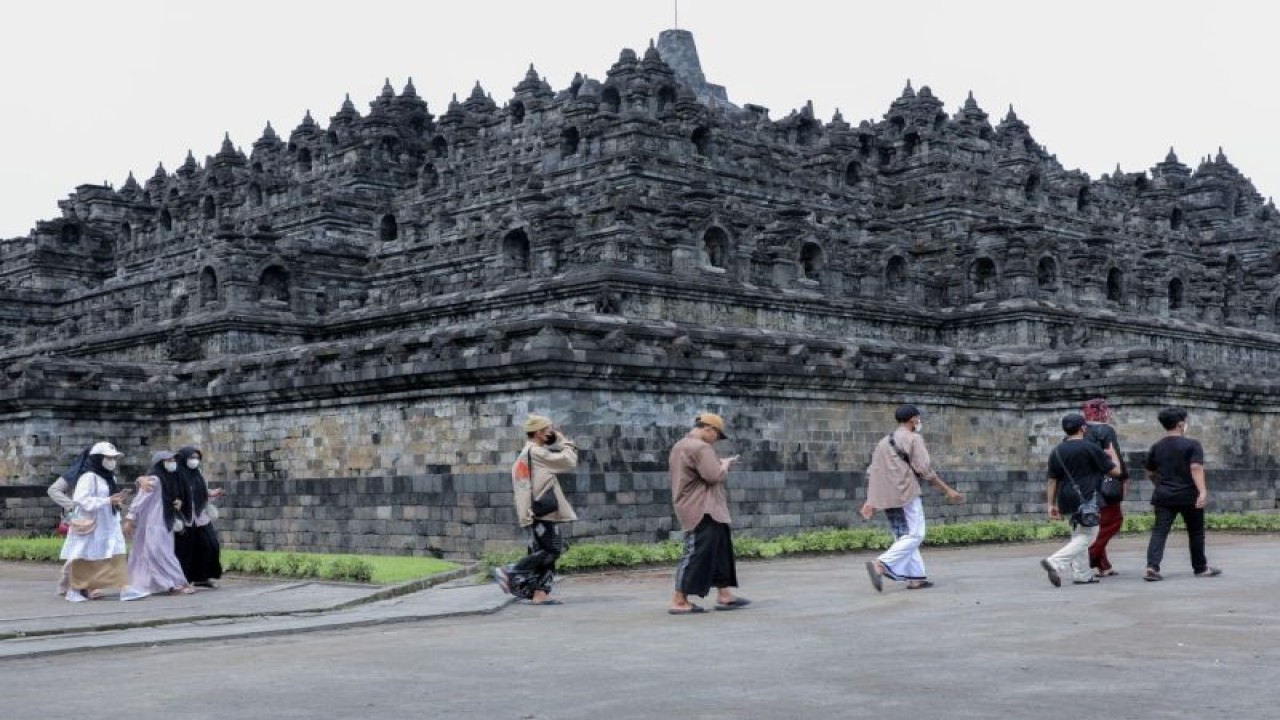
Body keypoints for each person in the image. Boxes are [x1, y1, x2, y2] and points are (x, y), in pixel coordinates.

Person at [861, 405, 966, 592]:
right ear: (913, 420)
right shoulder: (913, 438)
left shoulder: (883, 442)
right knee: (916, 534)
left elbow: (873, 472)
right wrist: (948, 490)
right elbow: (925, 470)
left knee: (904, 536)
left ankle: (915, 578)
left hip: (887, 497)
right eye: (918, 418)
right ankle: (881, 564)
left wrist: (870, 501)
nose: (919, 422)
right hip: (906, 494)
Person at [667, 413, 749, 614]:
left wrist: (716, 462)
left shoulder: (682, 445)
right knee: (697, 552)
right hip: (703, 508)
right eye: (717, 436)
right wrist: (725, 465)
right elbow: (714, 476)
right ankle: (679, 600)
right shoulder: (701, 447)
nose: (716, 440)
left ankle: (725, 594)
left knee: (720, 550)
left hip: (705, 507)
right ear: (709, 429)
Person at [493, 415, 578, 605]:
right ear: (539, 432)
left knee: (548, 551)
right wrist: (566, 442)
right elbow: (568, 461)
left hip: (539, 510)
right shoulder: (536, 452)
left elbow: (522, 485)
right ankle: (510, 570)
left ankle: (540, 594)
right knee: (552, 549)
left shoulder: (528, 452)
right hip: (542, 511)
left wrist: (525, 512)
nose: (553, 432)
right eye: (549, 429)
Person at [1040, 413, 1121, 587]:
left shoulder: (1057, 451)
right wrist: (1113, 455)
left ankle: (1082, 574)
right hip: (1087, 496)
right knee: (1090, 536)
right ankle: (1055, 562)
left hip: (1066, 496)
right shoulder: (1090, 448)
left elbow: (1052, 480)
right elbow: (1115, 472)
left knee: (1079, 534)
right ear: (1083, 428)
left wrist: (1051, 504)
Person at [1144, 407, 1221, 581]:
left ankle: (1152, 566)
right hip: (1188, 495)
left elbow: (1150, 472)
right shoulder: (1192, 444)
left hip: (1163, 495)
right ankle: (1200, 568)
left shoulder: (1157, 446)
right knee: (1195, 532)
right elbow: (1196, 467)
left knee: (1159, 532)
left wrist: (1160, 484)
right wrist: (1202, 491)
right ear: (1180, 424)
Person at [58, 442, 130, 601]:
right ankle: (76, 589)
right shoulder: (89, 476)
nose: (112, 461)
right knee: (84, 553)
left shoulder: (110, 477)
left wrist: (116, 501)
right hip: (90, 522)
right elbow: (80, 499)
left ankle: (113, 586)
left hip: (108, 521)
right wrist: (106, 501)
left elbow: (109, 497)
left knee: (111, 552)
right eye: (108, 458)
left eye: (114, 458)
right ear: (98, 458)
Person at [121, 451, 195, 599]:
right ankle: (175, 583)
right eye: (168, 460)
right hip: (153, 522)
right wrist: (129, 519)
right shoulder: (155, 479)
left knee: (158, 551)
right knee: (158, 551)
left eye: (173, 459)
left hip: (162, 520)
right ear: (160, 463)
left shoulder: (171, 478)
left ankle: (167, 582)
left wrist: (178, 502)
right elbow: (140, 499)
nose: (172, 462)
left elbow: (177, 495)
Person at [1082, 398, 1128, 578]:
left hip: (1082, 485)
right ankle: (1088, 556)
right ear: (1102, 412)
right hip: (1104, 484)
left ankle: (1104, 566)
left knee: (1095, 524)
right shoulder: (1105, 430)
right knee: (1112, 521)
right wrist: (1124, 477)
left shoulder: (1081, 431)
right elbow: (1113, 457)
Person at [172, 446, 224, 588]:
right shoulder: (176, 474)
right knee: (185, 549)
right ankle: (184, 579)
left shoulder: (198, 473)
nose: (194, 461)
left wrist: (211, 493)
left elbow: (200, 490)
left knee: (210, 544)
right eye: (191, 457)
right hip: (184, 516)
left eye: (196, 458)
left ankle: (203, 576)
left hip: (200, 515)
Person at [47, 446, 92, 595]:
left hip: (95, 515)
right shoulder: (75, 473)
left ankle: (74, 582)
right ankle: (75, 582)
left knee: (90, 549)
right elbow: (53, 490)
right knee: (79, 548)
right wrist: (71, 506)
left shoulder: (103, 475)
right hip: (76, 516)